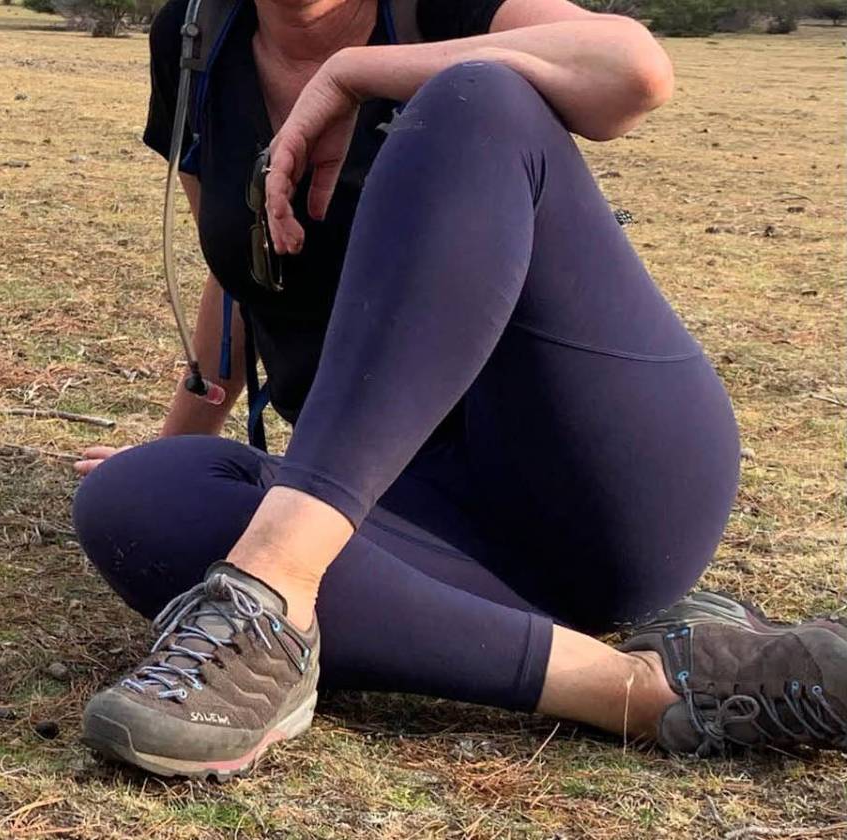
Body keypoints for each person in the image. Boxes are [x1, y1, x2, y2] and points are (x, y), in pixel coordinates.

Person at [68, 0, 847, 778]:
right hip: (408, 516)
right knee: (135, 500)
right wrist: (186, 437)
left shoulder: (436, 7)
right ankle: (640, 687)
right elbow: (240, 269)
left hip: (602, 474)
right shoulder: (197, 37)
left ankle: (272, 593)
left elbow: (633, 71)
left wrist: (354, 72)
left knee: (477, 97)